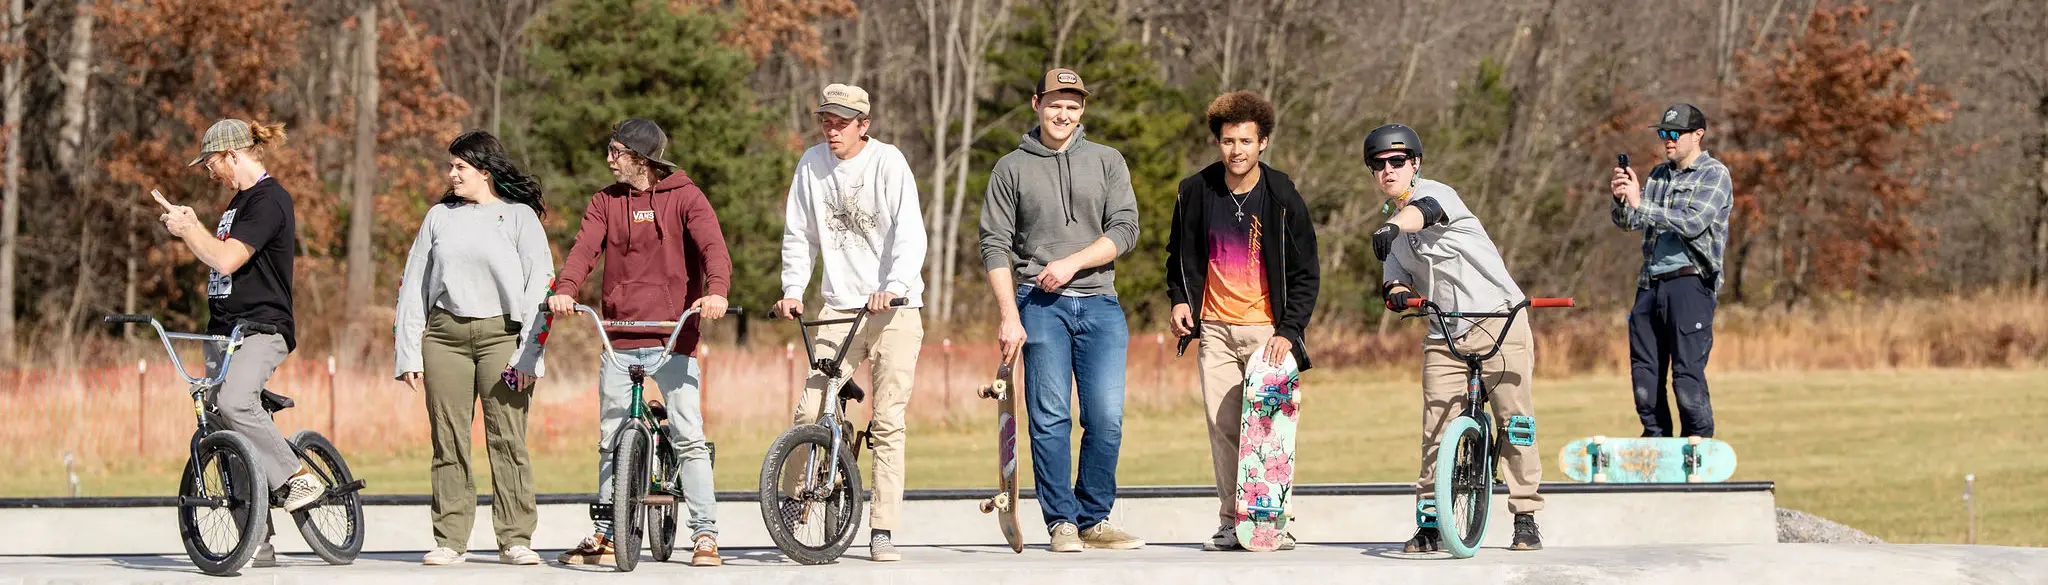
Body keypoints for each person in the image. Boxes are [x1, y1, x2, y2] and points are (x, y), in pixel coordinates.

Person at [548, 118, 733, 567]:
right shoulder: (605, 202)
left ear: (642, 158)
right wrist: (566, 289)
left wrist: (717, 291)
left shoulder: (686, 197)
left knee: (689, 436)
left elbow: (713, 248)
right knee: (610, 438)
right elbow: (583, 250)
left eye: (616, 151)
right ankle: (607, 533)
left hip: (673, 335)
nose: (609, 159)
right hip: (619, 335)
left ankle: (705, 535)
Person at [977, 67, 1145, 553]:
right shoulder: (1010, 168)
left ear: (1082, 110)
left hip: (1100, 304)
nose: (1063, 114)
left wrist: (1072, 263)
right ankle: (1062, 523)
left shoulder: (1108, 161)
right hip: (1039, 305)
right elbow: (994, 244)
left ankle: (1094, 518)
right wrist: (1009, 315)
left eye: (1072, 106)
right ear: (1037, 104)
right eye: (1055, 104)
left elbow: (1125, 229)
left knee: (1106, 418)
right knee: (1050, 418)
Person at [152, 118, 325, 567]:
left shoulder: (269, 200)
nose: (210, 173)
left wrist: (187, 231)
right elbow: (218, 259)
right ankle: (256, 540)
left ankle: (297, 475)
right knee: (222, 429)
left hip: (261, 329)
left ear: (232, 155)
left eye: (211, 163)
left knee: (234, 400)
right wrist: (193, 225)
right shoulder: (237, 204)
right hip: (224, 332)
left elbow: (227, 260)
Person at [1366, 123, 1545, 552]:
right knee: (1436, 428)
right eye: (1379, 164)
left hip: (1499, 319)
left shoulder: (1437, 195)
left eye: (1397, 161)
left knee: (1515, 421)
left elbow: (1423, 212)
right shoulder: (1392, 233)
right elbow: (1394, 279)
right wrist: (1398, 293)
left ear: (1415, 164)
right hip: (1445, 330)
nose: (1388, 170)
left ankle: (1525, 516)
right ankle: (1431, 523)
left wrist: (1393, 226)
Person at [773, 83, 928, 563]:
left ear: (864, 125)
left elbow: (911, 233)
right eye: (826, 120)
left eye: (842, 122)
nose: (832, 130)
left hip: (895, 308)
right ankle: (794, 501)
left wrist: (894, 285)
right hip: (839, 308)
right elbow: (799, 236)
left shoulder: (889, 162)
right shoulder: (811, 165)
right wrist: (793, 290)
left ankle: (882, 528)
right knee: (809, 409)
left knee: (888, 421)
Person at [1163, 90, 1320, 552]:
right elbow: (1178, 257)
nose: (1236, 150)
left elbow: (1307, 272)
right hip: (1214, 329)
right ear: (1218, 142)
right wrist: (1180, 300)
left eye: (1246, 141)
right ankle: (1233, 521)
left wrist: (1289, 331)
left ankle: (1273, 521)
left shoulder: (1282, 196)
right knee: (1224, 429)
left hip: (1267, 333)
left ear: (1262, 142)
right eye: (1228, 141)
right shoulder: (1196, 192)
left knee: (1268, 431)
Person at [392, 130, 552, 566]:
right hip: (445, 338)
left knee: (507, 438)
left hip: (503, 336)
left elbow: (541, 285)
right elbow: (412, 286)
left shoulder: (519, 217)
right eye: (451, 166)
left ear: (485, 171)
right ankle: (450, 539)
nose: (452, 174)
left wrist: (530, 355)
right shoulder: (438, 218)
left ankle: (515, 538)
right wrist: (407, 352)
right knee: (448, 441)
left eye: (460, 167)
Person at [1608, 103, 1732, 439]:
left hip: (1690, 283)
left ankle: (1698, 444)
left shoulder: (1714, 175)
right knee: (1644, 377)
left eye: (1676, 133)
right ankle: (1655, 440)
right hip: (1650, 285)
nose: (1668, 139)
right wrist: (1622, 199)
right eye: (1664, 133)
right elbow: (1630, 222)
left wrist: (1641, 203)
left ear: (1698, 135)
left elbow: (1693, 223)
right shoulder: (1658, 175)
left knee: (1686, 378)